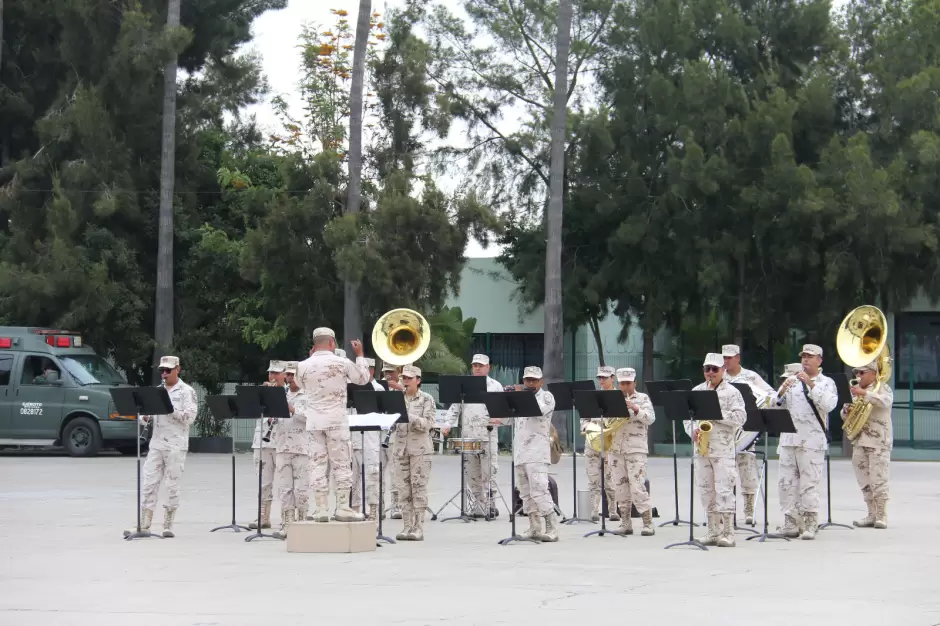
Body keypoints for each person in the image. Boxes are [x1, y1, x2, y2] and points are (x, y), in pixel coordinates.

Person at [296, 327, 370, 522]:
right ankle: (343, 507)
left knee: (317, 465)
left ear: (314, 345)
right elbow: (363, 379)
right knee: (341, 464)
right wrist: (360, 355)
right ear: (331, 343)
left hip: (314, 422)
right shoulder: (342, 362)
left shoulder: (302, 365)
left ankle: (321, 509)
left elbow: (301, 384)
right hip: (336, 421)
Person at [125, 356, 197, 538]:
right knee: (149, 482)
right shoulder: (156, 391)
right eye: (162, 371)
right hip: (156, 443)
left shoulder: (187, 392)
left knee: (172, 484)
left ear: (177, 370)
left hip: (176, 444)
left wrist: (170, 409)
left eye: (168, 370)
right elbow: (142, 417)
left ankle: (168, 524)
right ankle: (144, 523)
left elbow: (190, 418)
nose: (164, 374)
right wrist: (145, 417)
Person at [773, 344, 838, 540]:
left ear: (819, 360)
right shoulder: (792, 380)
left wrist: (810, 384)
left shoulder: (826, 383)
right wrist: (781, 391)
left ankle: (810, 524)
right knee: (786, 483)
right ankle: (791, 523)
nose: (805, 360)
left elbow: (829, 405)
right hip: (789, 440)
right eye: (803, 356)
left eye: (810, 357)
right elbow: (775, 407)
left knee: (808, 484)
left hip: (811, 442)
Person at [684, 353, 746, 547]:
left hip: (722, 450)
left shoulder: (732, 392)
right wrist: (692, 430)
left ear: (723, 370)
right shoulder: (696, 391)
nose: (710, 373)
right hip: (702, 450)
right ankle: (712, 531)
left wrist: (716, 413)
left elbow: (740, 419)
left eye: (714, 369)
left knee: (724, 491)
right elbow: (687, 418)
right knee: (706, 491)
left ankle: (728, 533)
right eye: (707, 369)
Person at [441, 354, 504, 517]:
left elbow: (503, 409)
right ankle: (477, 503)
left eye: (480, 366)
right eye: (475, 365)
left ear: (488, 367)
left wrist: (500, 419)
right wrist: (447, 423)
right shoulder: (464, 386)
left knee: (489, 471)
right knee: (471, 472)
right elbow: (455, 408)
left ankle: (490, 504)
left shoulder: (495, 386)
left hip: (488, 436)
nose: (477, 368)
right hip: (468, 436)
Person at [721, 344, 775, 525]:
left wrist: (759, 407)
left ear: (738, 358)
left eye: (729, 358)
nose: (726, 361)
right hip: (725, 430)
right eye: (724, 358)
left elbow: (770, 396)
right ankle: (725, 510)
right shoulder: (720, 376)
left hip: (746, 430)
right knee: (724, 473)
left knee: (748, 469)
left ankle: (749, 509)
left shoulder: (751, 376)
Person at [843, 359, 893, 529]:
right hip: (859, 441)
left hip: (878, 441)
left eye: (862, 372)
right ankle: (871, 513)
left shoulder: (882, 387)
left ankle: (881, 515)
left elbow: (886, 402)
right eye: (856, 372)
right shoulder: (855, 391)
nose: (858, 376)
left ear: (873, 373)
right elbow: (846, 417)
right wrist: (846, 411)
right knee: (864, 480)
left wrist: (865, 395)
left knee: (878, 480)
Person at [511, 366, 559, 542]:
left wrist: (520, 397)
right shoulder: (520, 398)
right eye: (527, 380)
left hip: (537, 452)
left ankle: (552, 527)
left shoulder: (547, 397)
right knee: (525, 492)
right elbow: (509, 418)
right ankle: (534, 526)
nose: (530, 383)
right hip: (520, 451)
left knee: (539, 489)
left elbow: (537, 410)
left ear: (541, 381)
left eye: (534, 380)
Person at [608, 367, 656, 536]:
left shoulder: (643, 398)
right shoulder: (612, 398)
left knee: (637, 486)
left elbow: (650, 419)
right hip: (615, 448)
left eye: (628, 383)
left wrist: (636, 408)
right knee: (620, 487)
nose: (625, 387)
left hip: (636, 449)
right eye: (622, 383)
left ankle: (647, 522)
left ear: (635, 383)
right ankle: (625, 523)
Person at [393, 365, 436, 541]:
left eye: (410, 378)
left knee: (418, 488)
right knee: (403, 489)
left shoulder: (426, 399)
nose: (406, 381)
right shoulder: (397, 398)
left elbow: (428, 424)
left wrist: (408, 414)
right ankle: (406, 526)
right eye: (404, 378)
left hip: (420, 450)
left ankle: (418, 528)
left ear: (418, 380)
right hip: (400, 448)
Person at [273, 361, 313, 538]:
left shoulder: (309, 396)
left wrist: (291, 408)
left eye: (293, 375)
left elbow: (310, 419)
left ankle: (302, 523)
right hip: (282, 446)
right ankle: (286, 524)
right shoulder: (280, 394)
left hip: (302, 448)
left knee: (301, 489)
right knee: (285, 488)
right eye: (288, 375)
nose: (290, 378)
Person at [248, 360, 287, 530]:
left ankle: (287, 517)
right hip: (262, 441)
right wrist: (262, 395)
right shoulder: (262, 391)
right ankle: (263, 516)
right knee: (264, 482)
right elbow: (250, 410)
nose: (272, 376)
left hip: (283, 442)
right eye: (270, 373)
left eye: (276, 373)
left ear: (285, 375)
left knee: (286, 482)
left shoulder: (290, 392)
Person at [582, 366, 619, 522]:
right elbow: (584, 418)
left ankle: (612, 510)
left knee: (610, 479)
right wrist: (587, 428)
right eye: (600, 378)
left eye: (605, 377)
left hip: (610, 443)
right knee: (593, 479)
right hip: (592, 442)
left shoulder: (619, 397)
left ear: (613, 378)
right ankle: (594, 510)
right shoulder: (592, 397)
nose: (602, 380)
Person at [350, 358, 383, 520]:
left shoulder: (377, 389)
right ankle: (353, 511)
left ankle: (373, 512)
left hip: (370, 440)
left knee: (371, 476)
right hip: (352, 440)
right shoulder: (351, 390)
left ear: (370, 371)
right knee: (352, 480)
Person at [381, 362, 404, 519]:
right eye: (385, 371)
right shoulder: (378, 387)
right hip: (379, 434)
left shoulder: (405, 387)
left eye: (391, 371)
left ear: (398, 371)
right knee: (376, 472)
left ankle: (396, 504)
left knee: (395, 473)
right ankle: (379, 505)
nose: (388, 374)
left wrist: (399, 389)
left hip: (396, 436)